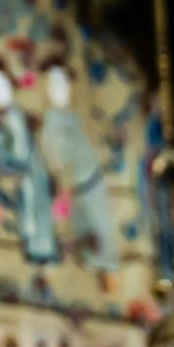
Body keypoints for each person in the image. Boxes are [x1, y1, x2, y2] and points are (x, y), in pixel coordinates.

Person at [39, 52, 119, 274]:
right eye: (54, 85)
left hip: (93, 180)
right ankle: (95, 260)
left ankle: (102, 262)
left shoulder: (73, 116)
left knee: (104, 234)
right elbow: (58, 164)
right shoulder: (52, 127)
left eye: (64, 83)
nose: (61, 89)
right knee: (95, 235)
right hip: (81, 188)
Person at [0, 56, 57, 264]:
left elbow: (22, 152)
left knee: (33, 203)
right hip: (6, 175)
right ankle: (30, 243)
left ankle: (39, 247)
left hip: (27, 172)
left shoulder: (14, 115)